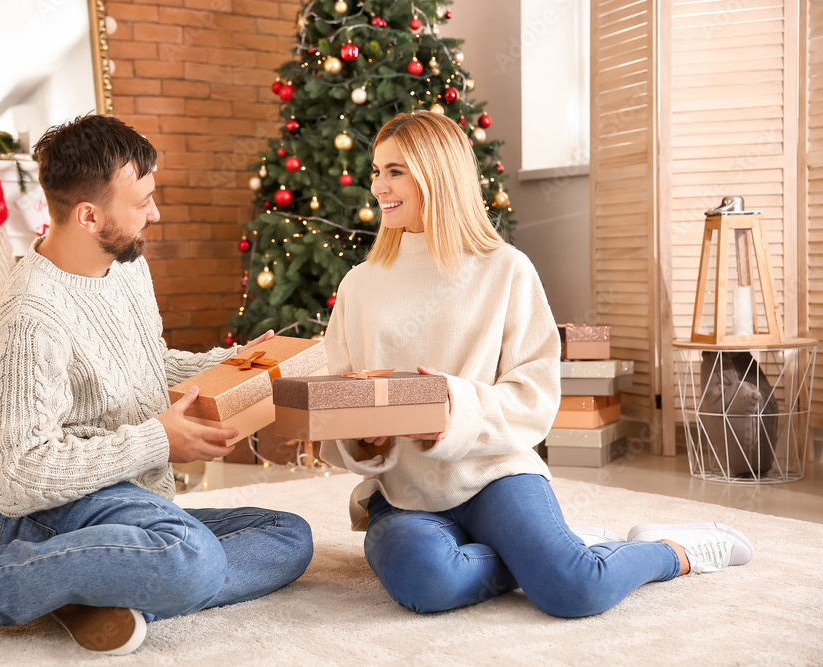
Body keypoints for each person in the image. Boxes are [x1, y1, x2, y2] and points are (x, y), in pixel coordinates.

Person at [0, 115, 314, 654]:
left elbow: (141, 365)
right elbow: (15, 478)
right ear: (88, 215)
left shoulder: (125, 266)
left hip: (120, 497)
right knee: (191, 560)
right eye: (142, 201)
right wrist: (156, 440)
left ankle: (88, 585)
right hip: (39, 511)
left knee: (289, 536)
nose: (156, 212)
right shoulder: (31, 317)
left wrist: (232, 363)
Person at [320, 110, 752, 617]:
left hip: (494, 474)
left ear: (438, 174)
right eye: (376, 171)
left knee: (576, 592)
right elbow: (339, 397)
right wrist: (359, 440)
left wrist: (453, 411)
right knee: (428, 582)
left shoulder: (505, 270)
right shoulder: (359, 285)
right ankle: (554, 552)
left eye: (395, 170)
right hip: (403, 490)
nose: (378, 187)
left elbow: (535, 396)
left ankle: (672, 551)